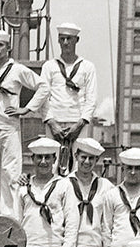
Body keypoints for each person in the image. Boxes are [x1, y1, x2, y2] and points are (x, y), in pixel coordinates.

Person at [0, 28, 47, 215]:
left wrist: (26, 109)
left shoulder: (17, 70)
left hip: (9, 127)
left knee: (10, 173)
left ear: (8, 47)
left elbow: (43, 86)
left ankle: (10, 216)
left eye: (1, 45)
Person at [15, 136, 76, 247]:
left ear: (54, 159)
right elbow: (16, 221)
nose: (43, 161)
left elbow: (72, 220)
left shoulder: (64, 185)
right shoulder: (24, 187)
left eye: (47, 157)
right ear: (32, 159)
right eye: (39, 157)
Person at [40, 21, 98, 173]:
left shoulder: (87, 67)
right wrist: (52, 123)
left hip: (78, 123)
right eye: (62, 39)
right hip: (54, 123)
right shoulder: (49, 66)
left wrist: (79, 125)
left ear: (76, 40)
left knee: (78, 167)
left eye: (69, 39)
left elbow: (91, 99)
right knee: (51, 165)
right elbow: (43, 97)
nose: (65, 43)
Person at [61, 137, 113, 247]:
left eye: (91, 158)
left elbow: (124, 195)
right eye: (83, 157)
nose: (87, 162)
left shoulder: (105, 186)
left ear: (97, 160)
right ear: (76, 156)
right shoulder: (63, 184)